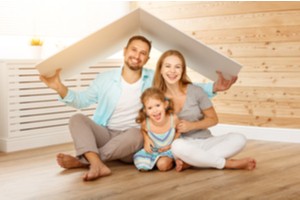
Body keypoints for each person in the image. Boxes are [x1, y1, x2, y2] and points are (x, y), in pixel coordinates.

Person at [39, 35, 237, 181]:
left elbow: (180, 85)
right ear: (125, 51)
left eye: (143, 53)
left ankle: (85, 160)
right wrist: (59, 87)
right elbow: (81, 100)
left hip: (133, 139)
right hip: (106, 132)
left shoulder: (153, 79)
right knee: (77, 119)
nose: (137, 56)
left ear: (147, 59)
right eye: (134, 50)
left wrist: (213, 88)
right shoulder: (105, 79)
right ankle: (96, 162)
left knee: (135, 133)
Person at [153, 49, 256, 172]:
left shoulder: (196, 91)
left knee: (239, 138)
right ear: (160, 69)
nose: (172, 71)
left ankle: (193, 162)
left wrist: (192, 126)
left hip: (206, 141)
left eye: (177, 67)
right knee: (177, 146)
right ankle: (227, 164)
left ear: (183, 70)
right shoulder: (156, 97)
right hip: (183, 145)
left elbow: (213, 119)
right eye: (168, 66)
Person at [133, 87, 180, 171]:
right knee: (138, 158)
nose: (155, 110)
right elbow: (142, 130)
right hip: (155, 151)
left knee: (162, 165)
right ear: (145, 111)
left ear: (165, 104)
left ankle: (172, 161)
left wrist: (171, 145)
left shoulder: (173, 119)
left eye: (158, 105)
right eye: (150, 108)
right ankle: (157, 161)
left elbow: (179, 131)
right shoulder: (146, 123)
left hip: (171, 150)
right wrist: (146, 139)